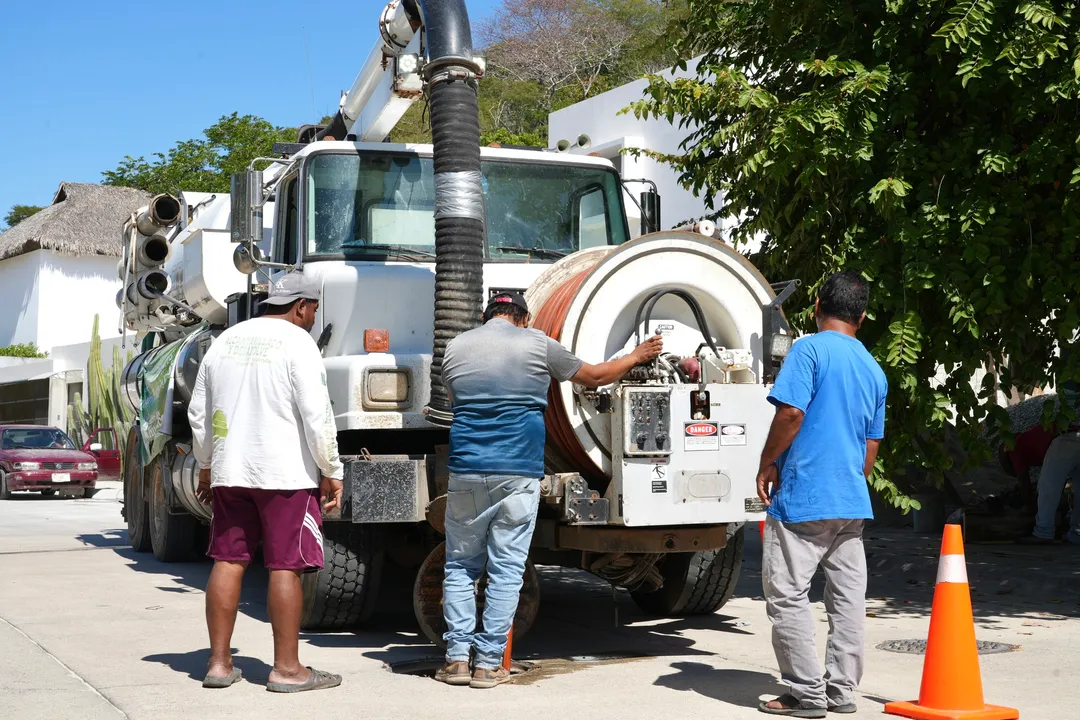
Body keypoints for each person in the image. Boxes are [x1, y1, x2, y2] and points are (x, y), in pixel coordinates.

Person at [435, 290, 663, 689]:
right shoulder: (538, 343)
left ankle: (455, 660)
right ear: (523, 318)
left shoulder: (456, 347)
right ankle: (489, 666)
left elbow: (456, 402)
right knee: (506, 570)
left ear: (488, 315)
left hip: (466, 469)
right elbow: (594, 376)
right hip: (518, 470)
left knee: (460, 566)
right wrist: (636, 357)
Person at [188, 272, 344, 693]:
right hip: (285, 475)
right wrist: (332, 469)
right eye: (312, 309)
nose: (312, 317)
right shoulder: (298, 343)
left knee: (228, 560)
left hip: (230, 472)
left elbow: (199, 414)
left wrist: (207, 464)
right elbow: (317, 414)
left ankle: (219, 665)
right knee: (285, 566)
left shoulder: (225, 342)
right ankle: (287, 670)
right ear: (300, 307)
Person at [755, 271, 887, 718]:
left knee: (787, 593)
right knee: (847, 598)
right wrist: (851, 480)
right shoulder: (873, 368)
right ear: (862, 317)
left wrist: (766, 461)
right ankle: (842, 692)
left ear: (816, 305)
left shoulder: (808, 349)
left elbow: (791, 413)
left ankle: (806, 694)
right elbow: (871, 446)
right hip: (851, 500)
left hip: (806, 496)